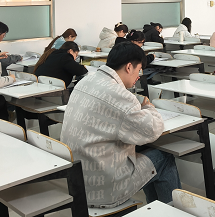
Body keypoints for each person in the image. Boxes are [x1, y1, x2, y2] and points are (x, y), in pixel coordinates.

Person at [60, 42, 181, 207]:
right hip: (105, 186)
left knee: (144, 154)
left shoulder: (86, 81)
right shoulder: (119, 95)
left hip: (77, 180)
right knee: (164, 158)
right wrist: (148, 107)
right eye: (139, 70)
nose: (139, 76)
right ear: (129, 67)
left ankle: (156, 209)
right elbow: (153, 130)